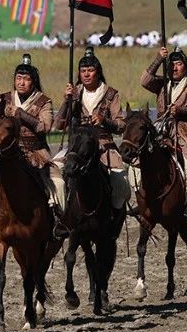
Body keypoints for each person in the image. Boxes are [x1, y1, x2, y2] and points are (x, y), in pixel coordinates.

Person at [0, 53, 60, 244]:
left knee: (57, 185)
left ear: (33, 81)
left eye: (26, 79)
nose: (22, 82)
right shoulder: (3, 99)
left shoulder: (44, 101)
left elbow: (44, 126)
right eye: (19, 78)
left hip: (36, 154)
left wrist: (20, 113)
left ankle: (58, 222)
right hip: (6, 155)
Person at [55, 48, 132, 214]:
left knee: (121, 182)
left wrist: (105, 121)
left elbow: (121, 125)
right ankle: (60, 216)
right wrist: (66, 101)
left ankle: (114, 216)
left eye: (90, 70)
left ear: (98, 72)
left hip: (104, 144)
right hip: (77, 146)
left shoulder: (111, 94)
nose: (86, 74)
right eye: (83, 71)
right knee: (53, 170)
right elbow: (59, 125)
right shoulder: (74, 93)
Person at [141, 46, 187, 211]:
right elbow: (144, 80)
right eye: (171, 64)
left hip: (184, 130)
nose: (174, 67)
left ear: (185, 65)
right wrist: (159, 58)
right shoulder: (161, 84)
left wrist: (181, 110)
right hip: (160, 130)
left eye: (178, 64)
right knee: (139, 159)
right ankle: (143, 199)